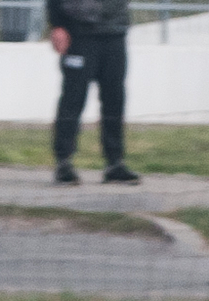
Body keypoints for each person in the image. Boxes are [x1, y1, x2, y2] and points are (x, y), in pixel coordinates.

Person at [49, 0, 139, 185]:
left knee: (114, 100)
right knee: (73, 99)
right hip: (79, 34)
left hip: (114, 33)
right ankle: (63, 163)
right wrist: (57, 24)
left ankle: (115, 164)